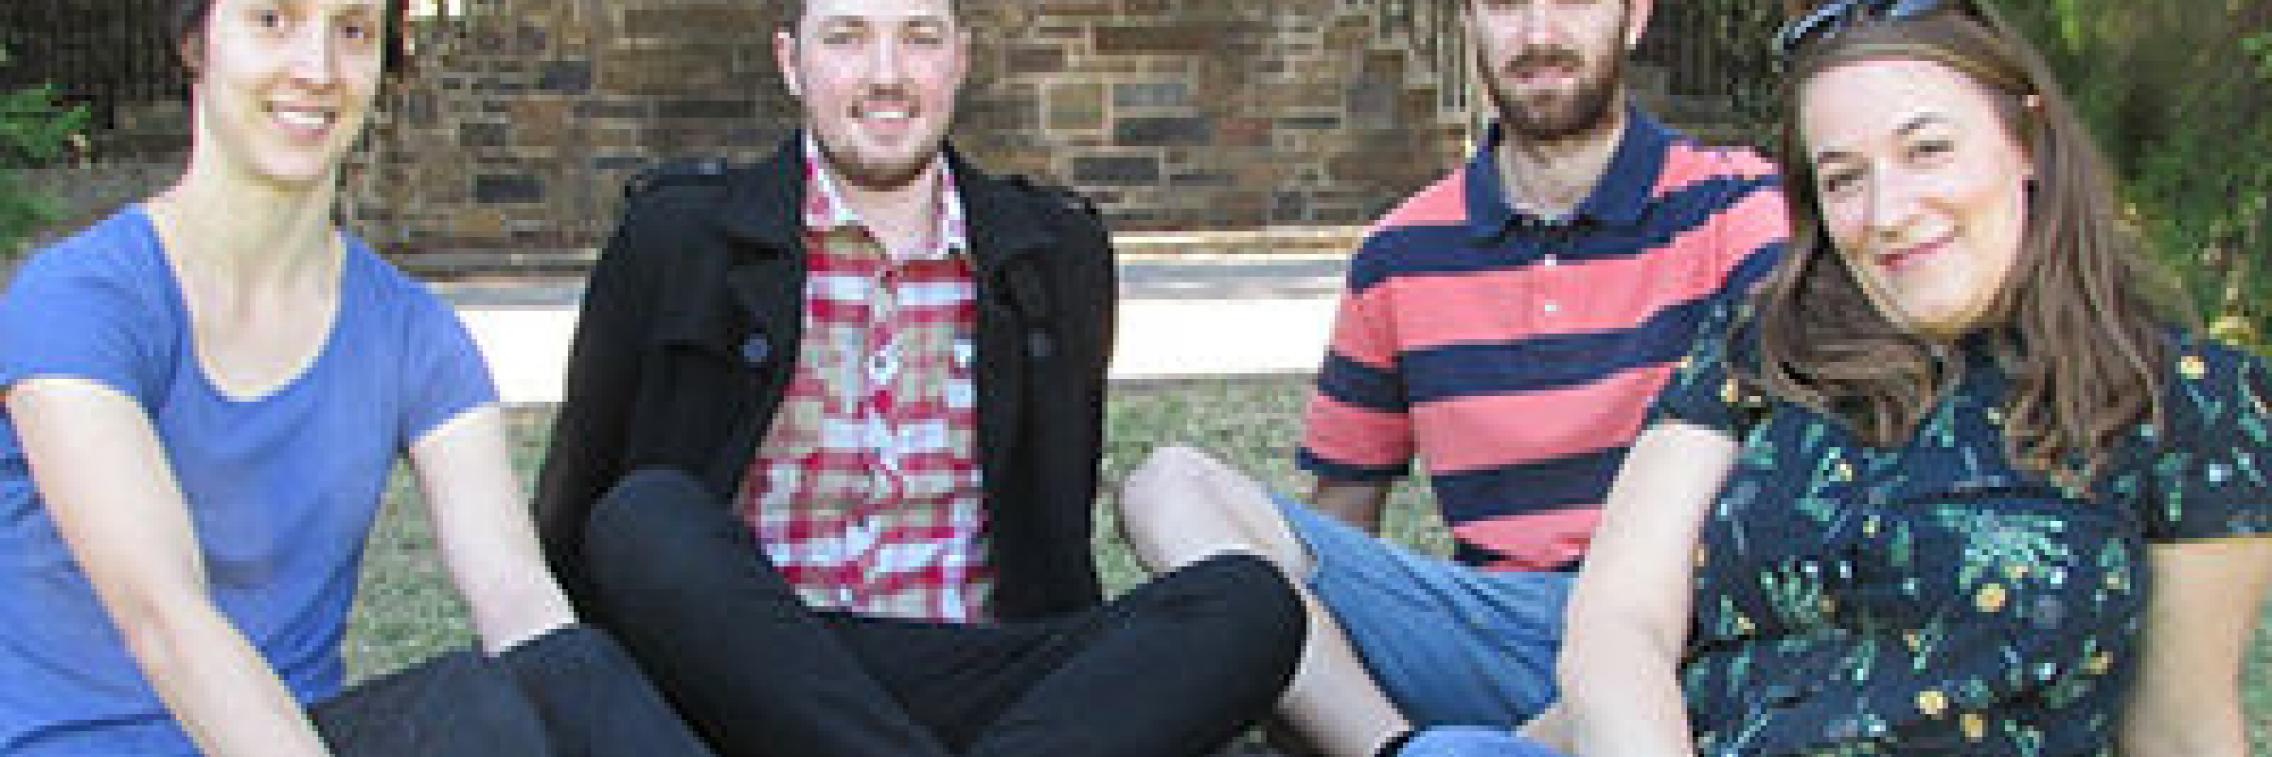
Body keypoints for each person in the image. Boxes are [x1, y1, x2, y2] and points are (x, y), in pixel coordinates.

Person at [1460, 0, 2270, 754]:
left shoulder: (2187, 401)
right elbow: (1619, 624)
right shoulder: (1761, 343)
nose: (1887, 212)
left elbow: (2180, 727)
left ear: (2028, 139)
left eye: (1927, 150)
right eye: (1844, 176)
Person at [531, 0, 1305, 755]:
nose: (887, 73)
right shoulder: (678, 238)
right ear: (789, 62)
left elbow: (1055, 524)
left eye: (920, 38)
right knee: (642, 517)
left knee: (1252, 604)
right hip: (741, 669)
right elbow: (576, 505)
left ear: (960, 60)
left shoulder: (1054, 251)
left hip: (977, 666)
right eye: (846, 39)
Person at [0, 1, 709, 755]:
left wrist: (582, 707)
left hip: (303, 737)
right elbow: (164, 620)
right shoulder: (81, 301)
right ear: (195, 42)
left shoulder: (413, 332)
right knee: (470, 715)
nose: (318, 69)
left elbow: (514, 594)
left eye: (353, 31)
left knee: (568, 667)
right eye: (273, 20)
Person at [1116, 0, 1787, 753]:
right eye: (1505, 5)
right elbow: (1340, 525)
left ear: (1634, 16)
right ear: (1468, 20)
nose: (1537, 34)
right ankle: (1395, 749)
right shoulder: (1398, 255)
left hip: (1679, 631)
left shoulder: (1737, 211)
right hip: (1486, 628)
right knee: (1168, 489)